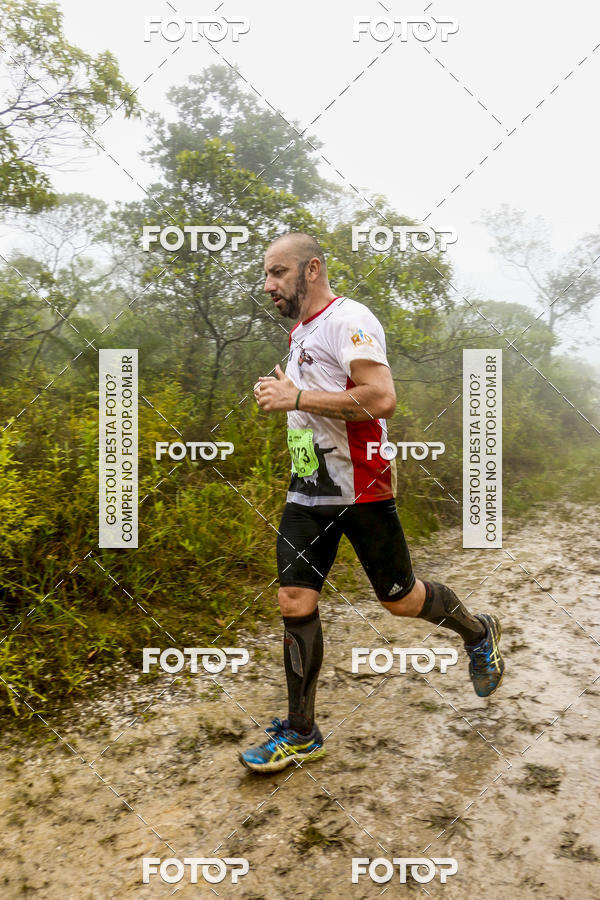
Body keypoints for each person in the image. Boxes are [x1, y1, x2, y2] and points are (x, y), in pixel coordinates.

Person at [239, 233, 504, 774]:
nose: (268, 285)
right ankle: (301, 732)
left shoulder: (350, 319)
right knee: (294, 599)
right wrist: (290, 396)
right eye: (266, 274)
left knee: (400, 599)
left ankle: (478, 633)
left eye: (277, 272)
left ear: (311, 270)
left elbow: (381, 397)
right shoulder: (301, 331)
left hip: (360, 486)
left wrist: (297, 397)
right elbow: (318, 399)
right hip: (308, 486)